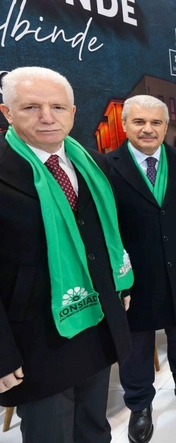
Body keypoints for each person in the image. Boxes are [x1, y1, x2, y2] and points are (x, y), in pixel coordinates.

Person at [0, 66, 133, 443]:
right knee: (51, 433)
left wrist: (121, 285)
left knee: (94, 428)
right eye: (31, 107)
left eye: (57, 107)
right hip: (36, 340)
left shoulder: (93, 164)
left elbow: (105, 237)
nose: (47, 117)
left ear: (73, 113)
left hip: (96, 323)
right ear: (7, 112)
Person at [107, 95, 176, 443]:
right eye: (139, 122)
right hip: (134, 273)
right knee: (136, 344)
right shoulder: (107, 166)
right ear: (125, 124)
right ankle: (140, 404)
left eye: (156, 122)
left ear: (166, 126)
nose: (148, 129)